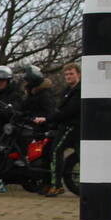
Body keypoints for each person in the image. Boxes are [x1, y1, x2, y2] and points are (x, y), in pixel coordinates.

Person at [35, 62, 81, 197]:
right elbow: (60, 109)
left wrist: (48, 119)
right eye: (66, 74)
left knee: (56, 151)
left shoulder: (80, 91)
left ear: (79, 74)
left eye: (71, 73)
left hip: (72, 127)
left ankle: (56, 185)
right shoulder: (67, 90)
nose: (68, 76)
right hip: (65, 126)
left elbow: (69, 111)